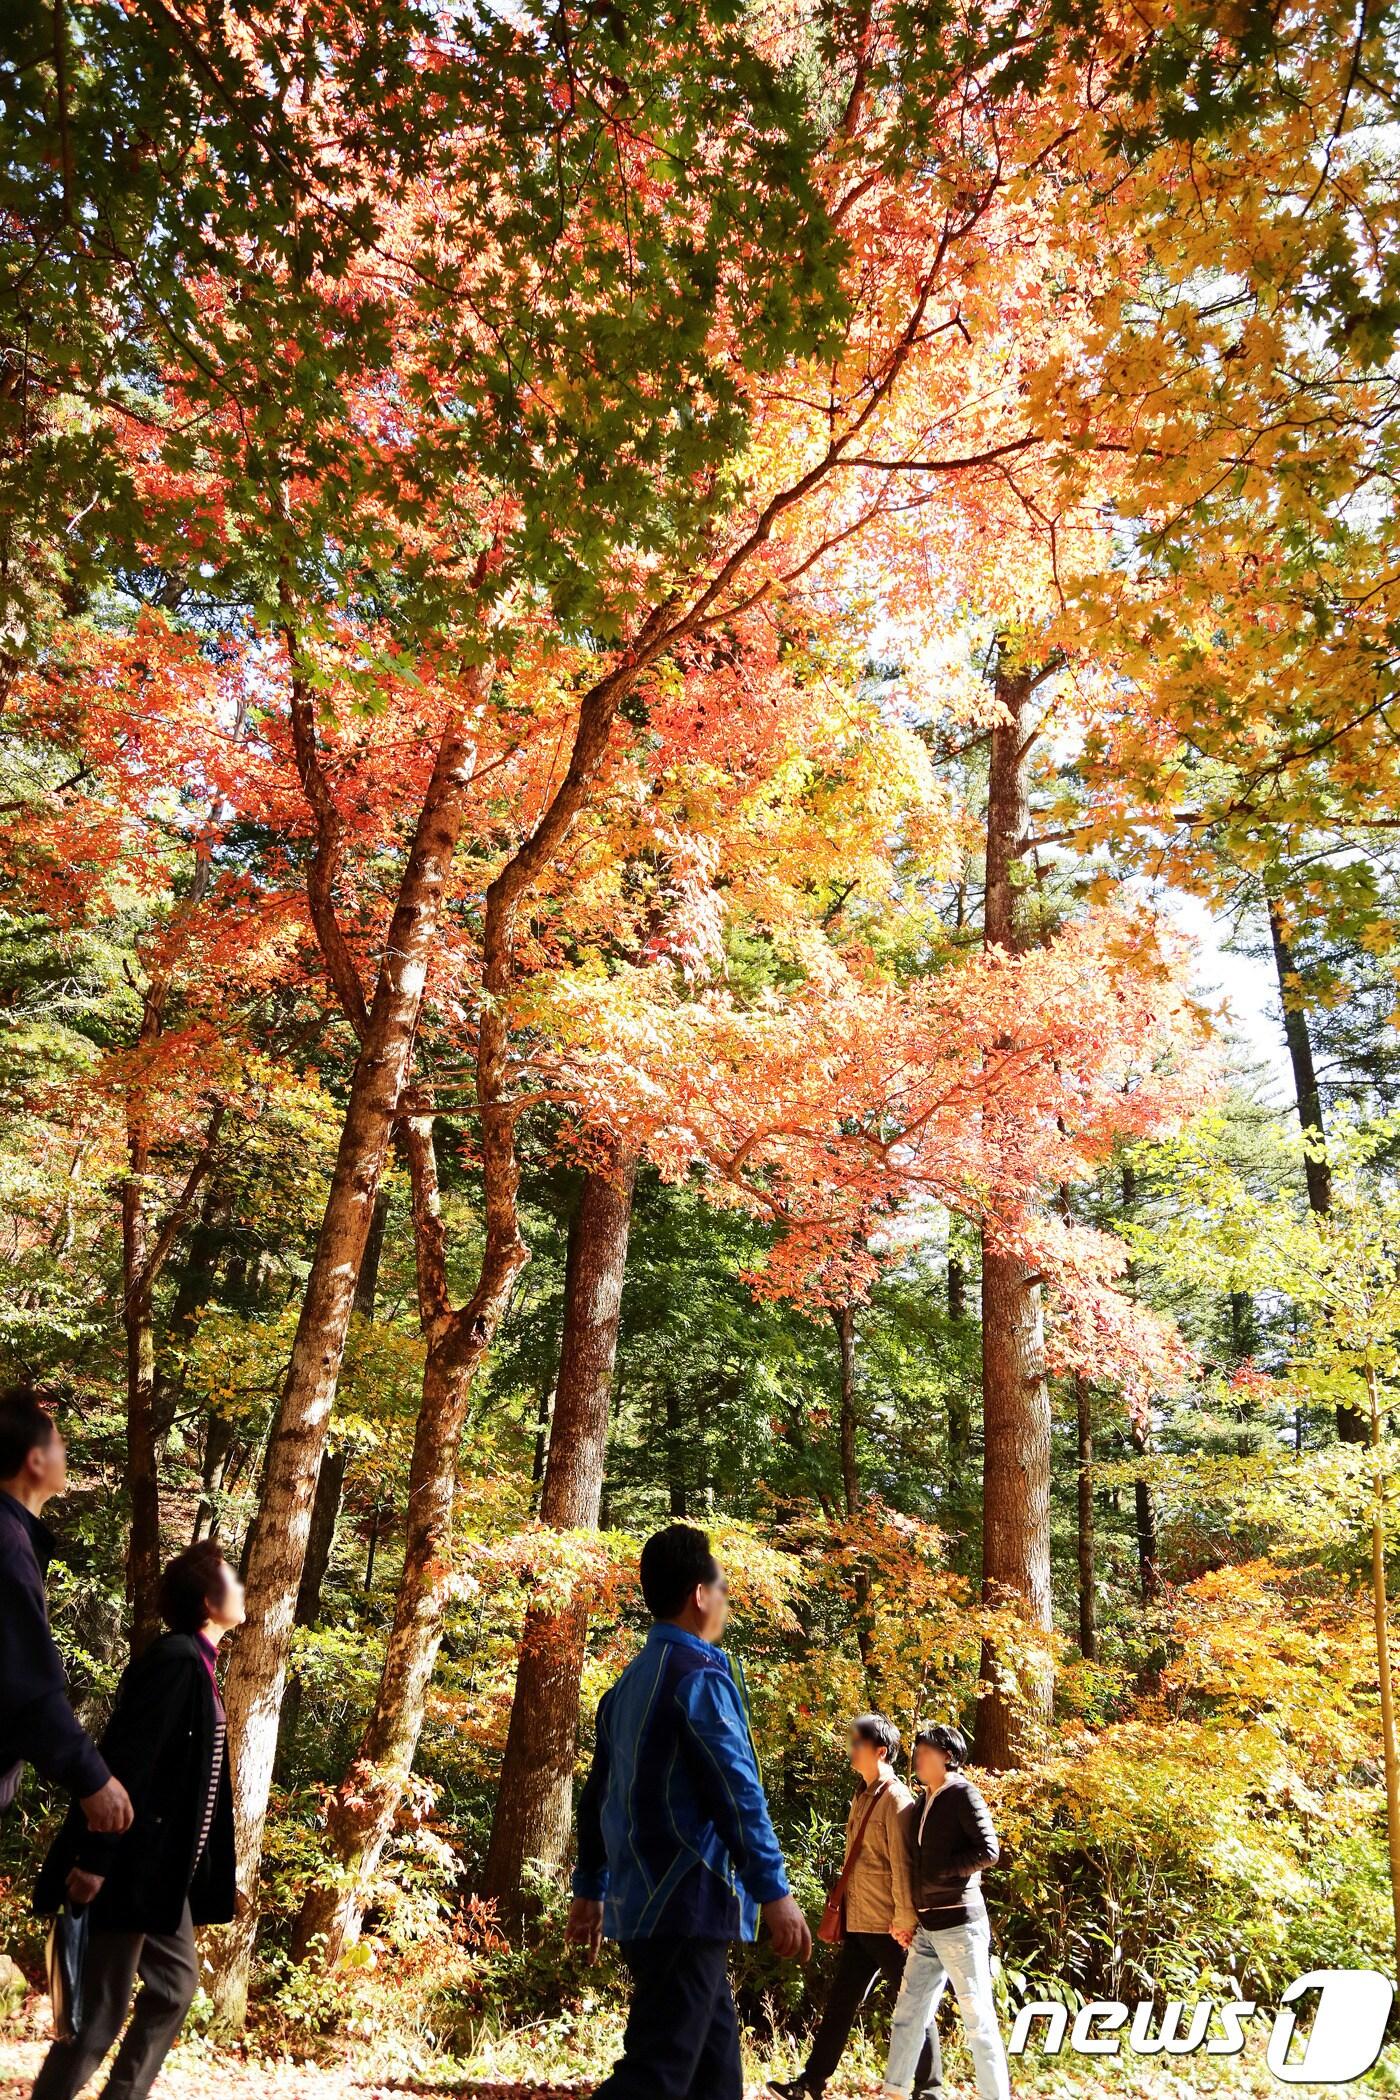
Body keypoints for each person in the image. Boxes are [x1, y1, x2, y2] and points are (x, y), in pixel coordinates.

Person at [565, 1522, 812, 2100]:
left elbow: (598, 1794)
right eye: (721, 1588)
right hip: (686, 1896)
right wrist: (774, 1892)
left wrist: (592, 1886)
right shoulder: (697, 1677)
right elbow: (737, 1792)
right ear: (699, 1594)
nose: (725, 1601)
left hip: (644, 1904)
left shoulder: (624, 1687)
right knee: (658, 2070)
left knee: (714, 2075)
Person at [31, 1540, 245, 2100]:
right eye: (233, 1579)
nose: (243, 1588)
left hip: (162, 1877)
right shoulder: (176, 1663)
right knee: (98, 2016)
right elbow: (129, 1763)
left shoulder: (200, 1665)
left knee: (175, 1987)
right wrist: (96, 1859)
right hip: (128, 1865)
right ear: (207, 1598)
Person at [767, 1714, 938, 2100]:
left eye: (858, 1743)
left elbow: (903, 1865)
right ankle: (811, 2082)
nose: (851, 1749)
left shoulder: (896, 1799)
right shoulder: (863, 1795)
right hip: (861, 1923)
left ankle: (930, 2089)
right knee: (841, 2004)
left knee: (914, 2006)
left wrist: (905, 1921)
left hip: (891, 1926)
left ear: (881, 1751)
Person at [0, 1385, 132, 1834]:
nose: (68, 1450)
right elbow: (24, 1686)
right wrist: (93, 1779)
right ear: (35, 1460)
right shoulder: (8, 1544)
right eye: (59, 1442)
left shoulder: (13, 1537)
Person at [881, 1723, 1011, 2100]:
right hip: (927, 1925)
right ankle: (894, 2091)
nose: (918, 1758)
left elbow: (988, 1851)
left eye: (925, 1751)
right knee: (908, 2013)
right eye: (917, 1751)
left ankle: (995, 2095)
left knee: (977, 2018)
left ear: (949, 1757)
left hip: (961, 1925)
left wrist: (943, 1872)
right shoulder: (923, 1801)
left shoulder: (963, 1794)